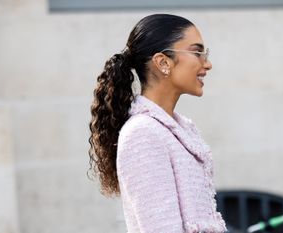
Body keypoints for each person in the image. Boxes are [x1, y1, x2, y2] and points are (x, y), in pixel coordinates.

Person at [89, 14, 227, 233]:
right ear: (163, 62)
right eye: (197, 52)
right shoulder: (143, 134)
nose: (207, 64)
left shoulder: (180, 129)